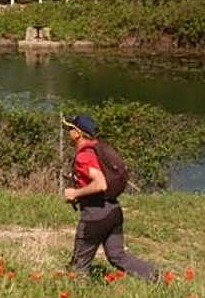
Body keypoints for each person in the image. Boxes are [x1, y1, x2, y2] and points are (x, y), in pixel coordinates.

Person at [62, 113, 158, 281]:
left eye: (70, 128)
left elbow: (100, 184)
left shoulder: (84, 156)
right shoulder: (98, 148)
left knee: (78, 267)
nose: (67, 131)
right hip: (113, 211)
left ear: (78, 133)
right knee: (117, 255)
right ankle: (154, 276)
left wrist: (75, 193)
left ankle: (75, 292)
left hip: (95, 215)